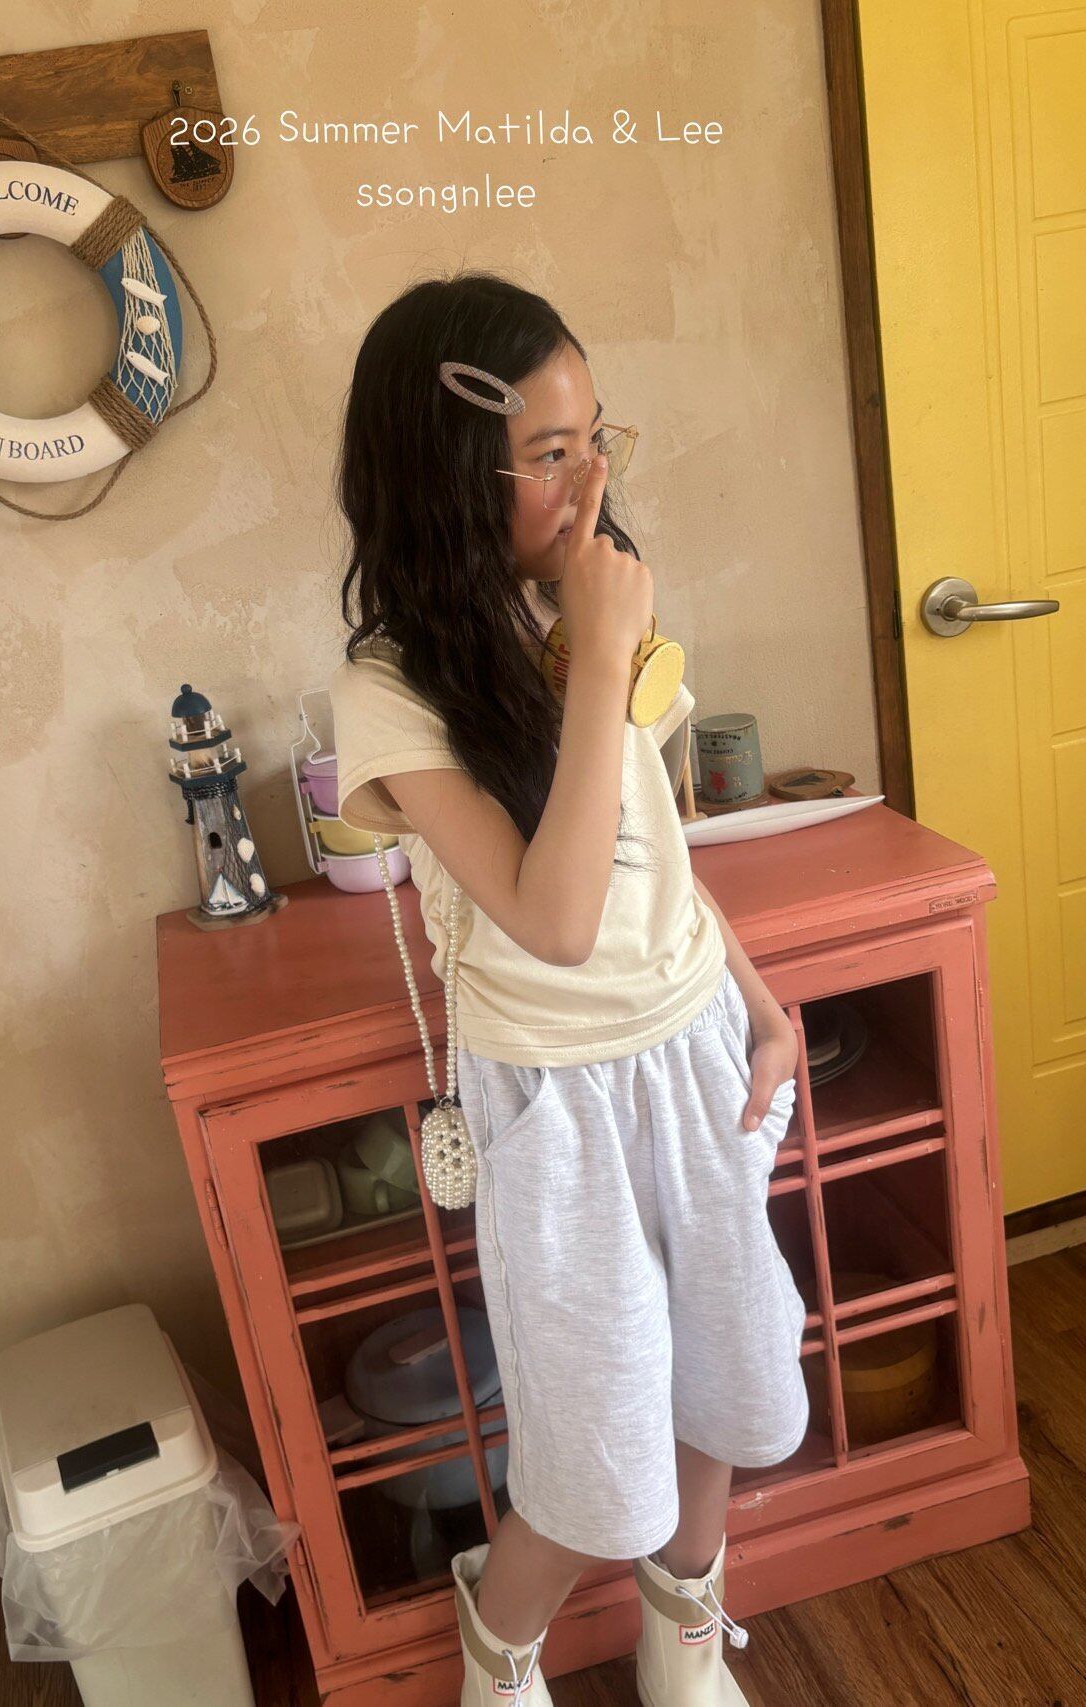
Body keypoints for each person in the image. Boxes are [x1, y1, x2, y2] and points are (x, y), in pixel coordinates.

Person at [327, 270, 807, 1707]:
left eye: (596, 437)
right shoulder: (393, 688)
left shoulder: (584, 610)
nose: (591, 482)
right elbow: (554, 918)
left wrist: (761, 1003)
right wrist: (597, 662)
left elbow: (657, 857)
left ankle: (685, 1634)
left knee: (725, 1371)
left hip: (694, 1046)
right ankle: (501, 1651)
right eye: (547, 454)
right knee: (598, 1443)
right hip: (557, 1099)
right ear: (441, 476)